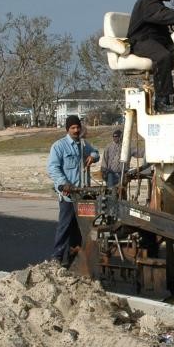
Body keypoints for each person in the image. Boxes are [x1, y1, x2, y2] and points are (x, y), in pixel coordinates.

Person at [46, 114, 99, 267]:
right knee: (65, 227)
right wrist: (64, 184)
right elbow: (53, 168)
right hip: (68, 196)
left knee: (81, 229)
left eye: (78, 127)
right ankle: (56, 259)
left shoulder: (83, 144)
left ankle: (73, 259)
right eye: (73, 128)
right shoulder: (59, 146)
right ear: (67, 129)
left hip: (83, 195)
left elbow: (96, 152)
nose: (76, 130)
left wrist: (92, 157)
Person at [127, 0, 174, 110]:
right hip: (141, 42)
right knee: (163, 57)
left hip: (156, 41)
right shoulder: (147, 2)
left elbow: (164, 14)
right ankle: (161, 101)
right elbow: (162, 16)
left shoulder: (156, 3)